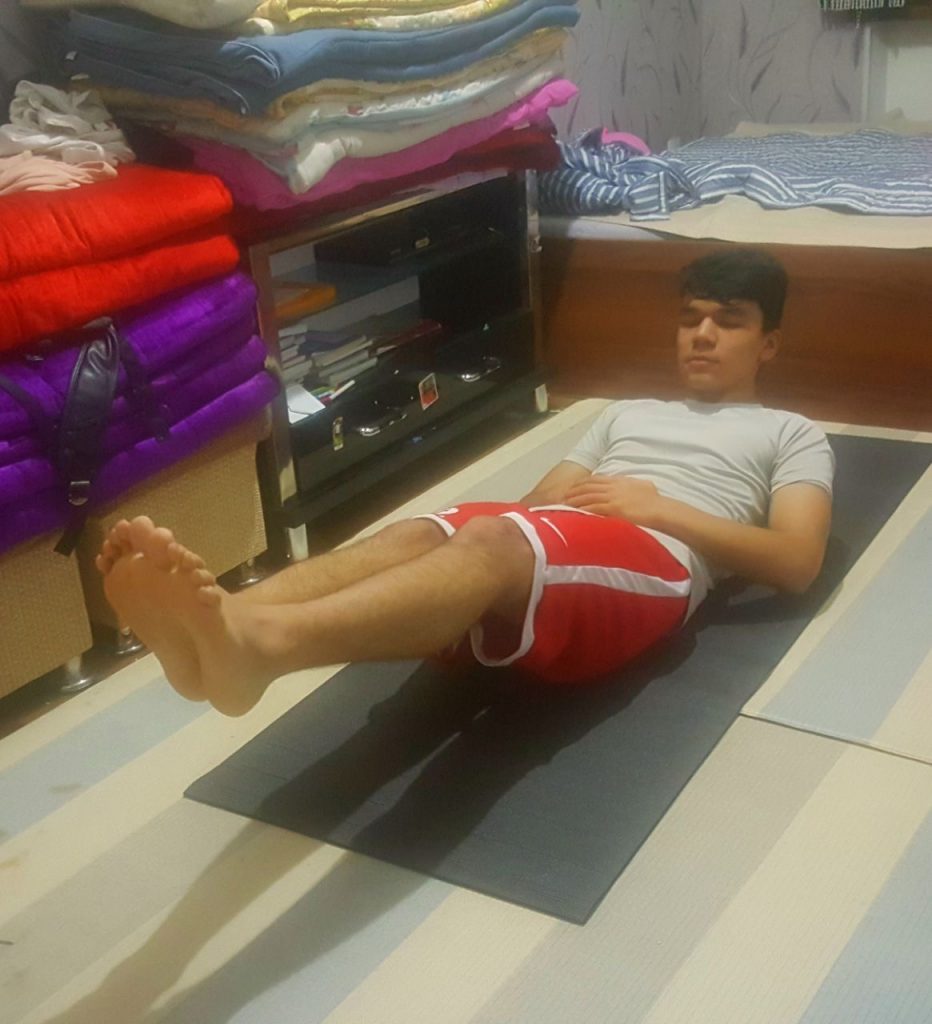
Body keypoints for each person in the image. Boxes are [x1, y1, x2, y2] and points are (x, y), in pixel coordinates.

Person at [98, 248, 834, 717]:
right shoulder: (625, 412)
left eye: (728, 322)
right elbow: (539, 502)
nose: (701, 335)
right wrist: (485, 536)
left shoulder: (792, 432)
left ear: (768, 343)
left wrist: (658, 508)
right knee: (424, 531)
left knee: (487, 540)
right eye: (690, 319)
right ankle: (225, 623)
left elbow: (797, 561)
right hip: (568, 534)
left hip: (657, 556)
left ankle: (266, 646)